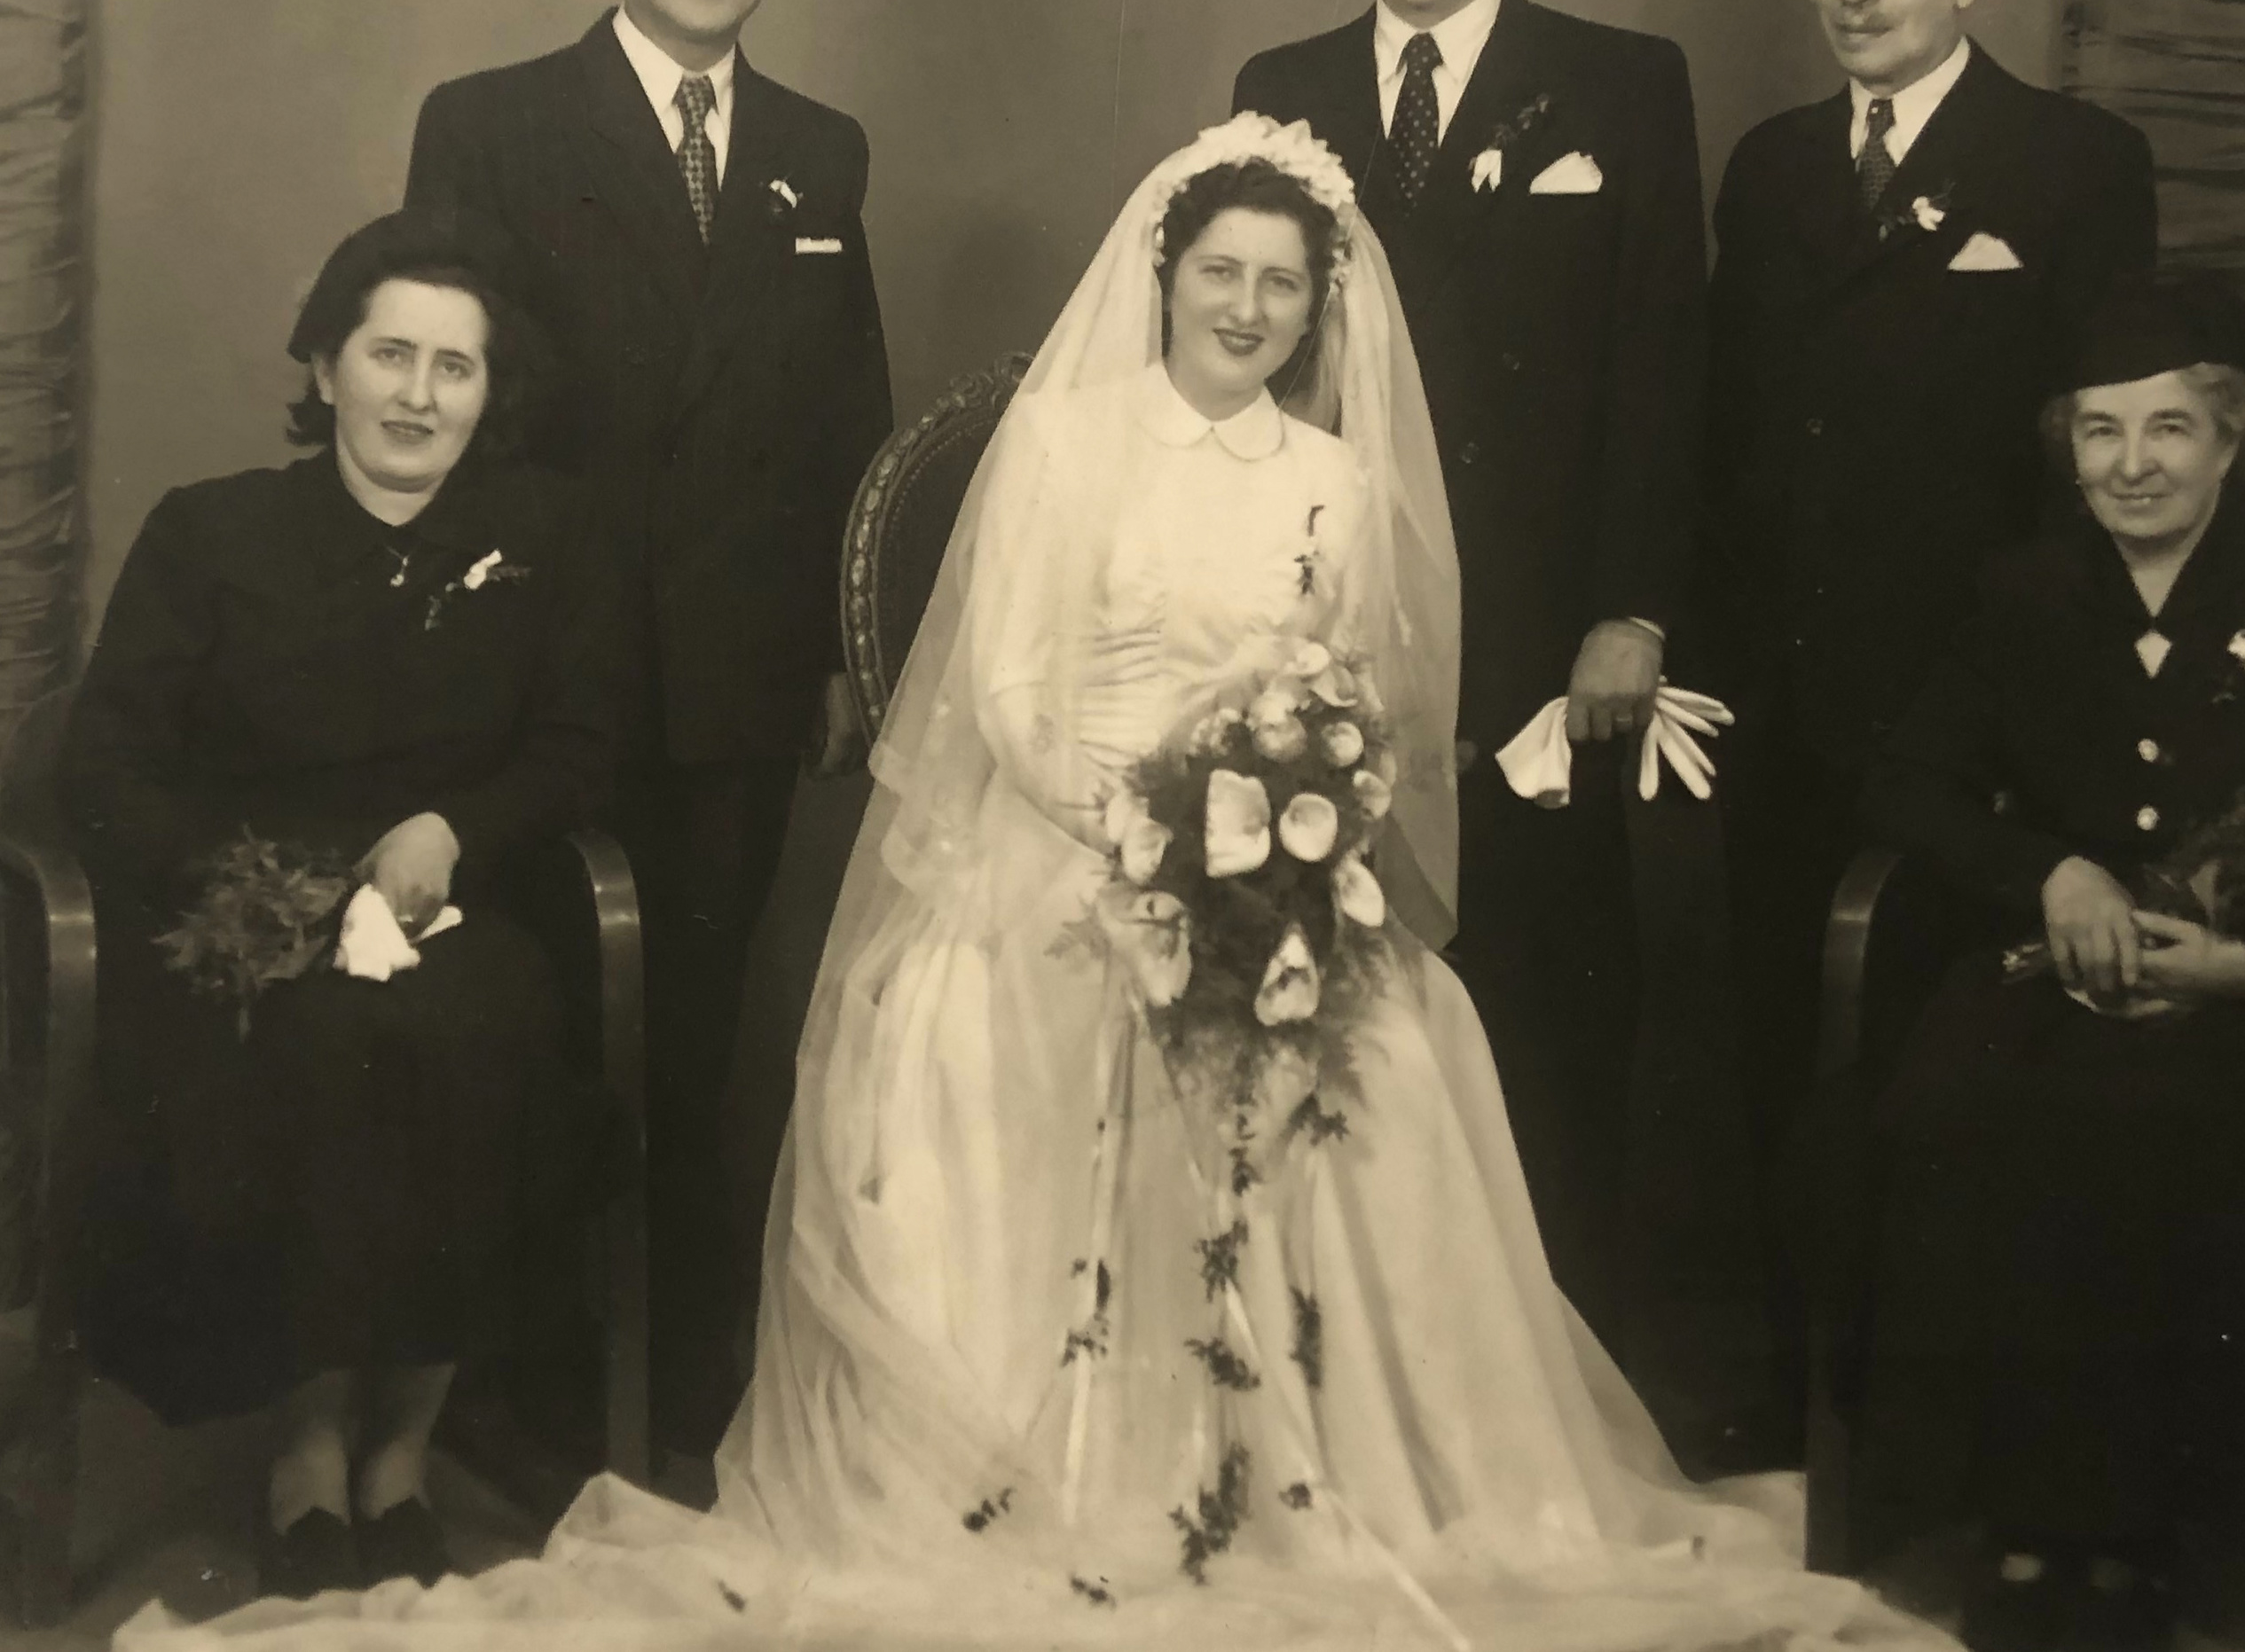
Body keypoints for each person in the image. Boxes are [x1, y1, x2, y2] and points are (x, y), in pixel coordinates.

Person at [113, 119, 1951, 1652]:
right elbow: (1000, 687)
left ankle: (1321, 1470)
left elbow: (1365, 698)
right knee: (1016, 1027)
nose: (1246, 307)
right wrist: (1142, 835)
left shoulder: (1331, 474)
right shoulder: (1067, 441)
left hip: (1265, 861)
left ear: (1318, 306)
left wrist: (1282, 831)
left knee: (1393, 1046)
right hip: (1064, 837)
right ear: (1164, 272)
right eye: (1218, 270)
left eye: (1280, 283)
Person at [1828, 276, 2245, 1651]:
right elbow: (1908, 779)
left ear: (2231, 437)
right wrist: (2049, 872)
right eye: (2101, 431)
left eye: (2169, 428)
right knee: (1955, 1104)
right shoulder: (2022, 586)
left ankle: (2150, 1535)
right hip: (2056, 969)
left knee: (2150, 1123)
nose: (2133, 465)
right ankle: (2017, 1520)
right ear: (2067, 448)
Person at [403, 0, 893, 1453]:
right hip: (548, 675)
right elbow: (454, 409)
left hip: (739, 681)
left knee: (696, 1036)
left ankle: (673, 1384)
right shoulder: (493, 123)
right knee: (533, 1028)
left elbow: (847, 413)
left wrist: (840, 647)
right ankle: (514, 1387)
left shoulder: (820, 147)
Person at [1230, 0, 1709, 1383]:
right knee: (1347, 1015)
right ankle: (1368, 1387)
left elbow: (1663, 366)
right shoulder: (1280, 88)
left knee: (1549, 1013)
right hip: (1336, 634)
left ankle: (1554, 1385)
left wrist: (1631, 609)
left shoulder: (1622, 83)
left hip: (1543, 647)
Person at [61, 208, 619, 1600]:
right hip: (248, 913)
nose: (418, 395)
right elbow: (109, 763)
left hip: (449, 907)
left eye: (454, 366)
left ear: (488, 392)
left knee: (482, 1025)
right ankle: (309, 1447)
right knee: (318, 1046)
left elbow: (579, 745)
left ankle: (403, 1451)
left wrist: (452, 830)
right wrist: (256, 888)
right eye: (389, 354)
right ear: (325, 367)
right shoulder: (212, 530)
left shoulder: (540, 536)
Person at [1699, 0, 2158, 1456]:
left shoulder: (2074, 162)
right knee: (1784, 1053)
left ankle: (1962, 1433)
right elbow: (1733, 441)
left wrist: (2028, 710)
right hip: (1787, 702)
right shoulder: (1769, 168)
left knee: (1958, 1059)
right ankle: (1804, 1402)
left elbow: (2102, 466)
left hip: (1979, 718)